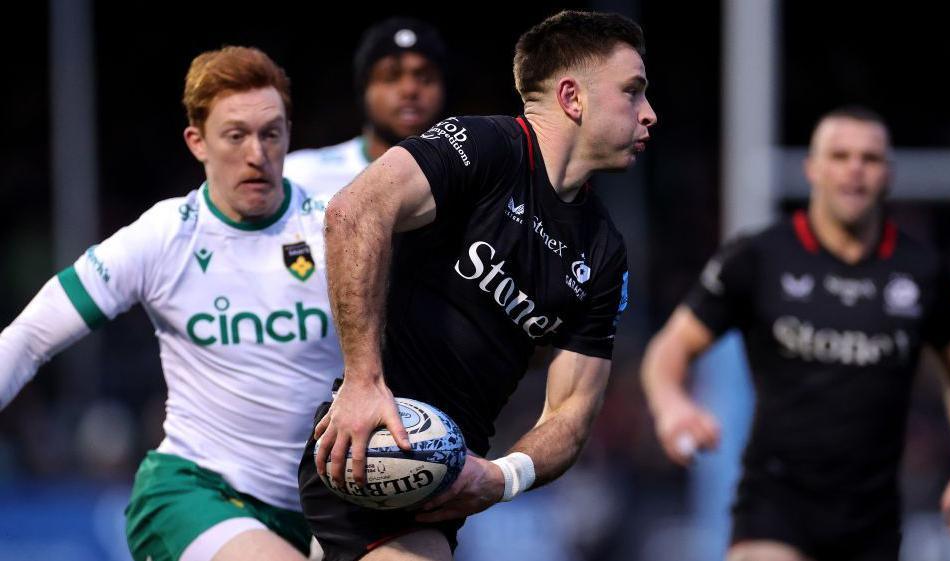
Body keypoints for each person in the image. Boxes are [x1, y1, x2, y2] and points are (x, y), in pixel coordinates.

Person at [299, 10, 655, 561]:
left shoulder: (604, 252)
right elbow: (354, 211)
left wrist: (502, 477)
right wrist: (365, 382)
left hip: (440, 482)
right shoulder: (484, 146)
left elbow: (571, 413)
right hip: (368, 445)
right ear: (572, 97)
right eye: (632, 92)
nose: (649, 114)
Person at [0, 46, 340, 561]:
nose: (257, 153)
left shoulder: (338, 229)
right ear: (197, 142)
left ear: (289, 134)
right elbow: (26, 339)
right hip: (193, 492)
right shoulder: (163, 236)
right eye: (235, 135)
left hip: (322, 507)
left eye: (271, 133)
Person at [641, 106, 950, 561]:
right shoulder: (759, 257)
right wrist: (672, 405)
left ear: (887, 174)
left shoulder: (921, 272)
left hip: (873, 518)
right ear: (812, 169)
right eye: (839, 155)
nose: (854, 170)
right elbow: (670, 347)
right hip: (774, 505)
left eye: (869, 159)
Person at [284, 17, 446, 195]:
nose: (410, 89)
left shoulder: (473, 179)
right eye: (391, 77)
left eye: (425, 78)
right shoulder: (300, 176)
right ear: (364, 89)